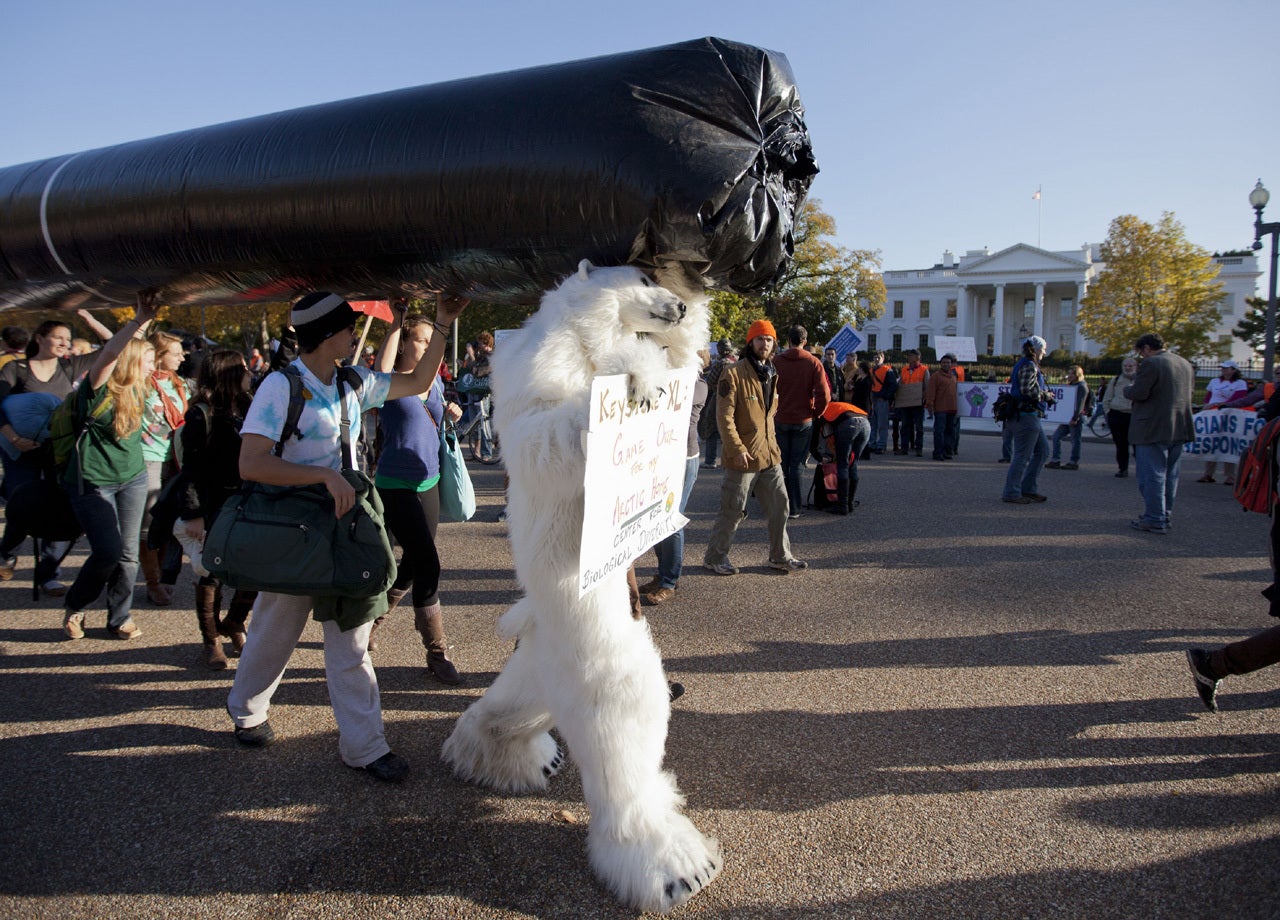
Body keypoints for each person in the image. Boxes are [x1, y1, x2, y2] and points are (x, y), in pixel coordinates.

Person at [226, 290, 467, 784]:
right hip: (295, 528)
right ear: (323, 334)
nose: (353, 334)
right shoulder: (279, 386)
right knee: (275, 628)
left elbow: (420, 379)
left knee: (353, 641)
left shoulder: (354, 380)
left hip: (348, 527)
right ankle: (247, 711)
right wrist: (322, 477)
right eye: (346, 327)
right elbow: (251, 462)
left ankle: (365, 747)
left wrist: (443, 323)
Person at [370, 305, 465, 683]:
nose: (428, 346)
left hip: (430, 481)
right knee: (429, 562)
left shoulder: (436, 381)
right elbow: (378, 370)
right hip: (396, 485)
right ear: (404, 343)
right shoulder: (389, 383)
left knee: (414, 561)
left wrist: (450, 413)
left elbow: (435, 419)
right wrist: (395, 321)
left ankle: (374, 620)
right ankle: (437, 651)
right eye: (421, 339)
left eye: (431, 340)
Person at [61, 295, 159, 640]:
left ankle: (119, 617)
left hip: (132, 477)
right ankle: (76, 606)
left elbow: (127, 345)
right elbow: (112, 352)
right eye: (149, 360)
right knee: (107, 551)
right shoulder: (97, 387)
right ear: (132, 362)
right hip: (92, 480)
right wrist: (136, 321)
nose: (153, 365)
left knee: (129, 555)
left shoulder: (142, 387)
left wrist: (144, 317)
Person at [0, 320, 102, 594]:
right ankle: (6, 552)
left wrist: (86, 315)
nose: (64, 343)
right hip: (20, 450)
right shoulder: (15, 369)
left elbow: (112, 347)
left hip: (58, 451)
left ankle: (49, 573)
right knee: (22, 501)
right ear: (39, 338)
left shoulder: (69, 367)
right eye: (58, 337)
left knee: (58, 505)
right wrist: (14, 439)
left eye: (67, 339)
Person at [172, 349, 258, 669]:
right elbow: (190, 469)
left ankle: (235, 622)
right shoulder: (202, 413)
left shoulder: (249, 405)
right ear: (228, 372)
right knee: (211, 574)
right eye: (244, 366)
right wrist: (193, 513)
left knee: (254, 569)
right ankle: (210, 640)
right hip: (214, 502)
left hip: (249, 498)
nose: (250, 371)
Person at [702, 319, 806, 575]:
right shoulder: (733, 373)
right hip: (744, 456)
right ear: (751, 342)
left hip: (769, 454)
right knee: (733, 508)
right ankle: (715, 557)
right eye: (760, 339)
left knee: (781, 505)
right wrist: (736, 448)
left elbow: (769, 414)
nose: (765, 343)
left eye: (769, 339)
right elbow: (724, 416)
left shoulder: (772, 372)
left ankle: (780, 556)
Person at [640, 361, 708, 605]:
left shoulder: (698, 385)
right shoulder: (669, 380)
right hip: (662, 457)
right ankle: (662, 574)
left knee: (672, 519)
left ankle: (669, 581)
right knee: (658, 519)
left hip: (684, 459)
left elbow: (671, 402)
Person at [138, 332, 190, 606]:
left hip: (176, 459)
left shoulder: (180, 384)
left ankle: (161, 576)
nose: (182, 357)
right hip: (148, 457)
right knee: (149, 524)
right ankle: (152, 582)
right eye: (176, 352)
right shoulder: (140, 385)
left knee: (169, 521)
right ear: (158, 356)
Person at [1124, 332, 1195, 534]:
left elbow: (1139, 392)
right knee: (1171, 475)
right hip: (1178, 425)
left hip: (1152, 427)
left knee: (1152, 475)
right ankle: (1163, 514)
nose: (1142, 357)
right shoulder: (1184, 363)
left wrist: (1127, 389)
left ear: (1147, 348)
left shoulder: (1152, 364)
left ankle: (1154, 518)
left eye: (1141, 352)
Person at [773, 325, 830, 519]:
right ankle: (794, 507)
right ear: (805, 342)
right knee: (797, 465)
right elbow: (824, 394)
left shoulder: (777, 361)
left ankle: (780, 504)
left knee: (781, 463)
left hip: (780, 417)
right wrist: (816, 412)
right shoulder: (813, 362)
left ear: (788, 340)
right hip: (803, 419)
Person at [1001, 336, 1055, 505]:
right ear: (1036, 349)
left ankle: (1028, 488)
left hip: (1028, 415)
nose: (1045, 352)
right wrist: (1046, 396)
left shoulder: (1026, 364)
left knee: (1043, 452)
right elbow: (1026, 390)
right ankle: (1012, 492)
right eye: (1043, 349)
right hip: (1026, 416)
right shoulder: (1029, 365)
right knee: (1022, 456)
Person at [808, 398, 870, 514]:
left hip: (848, 423)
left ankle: (842, 506)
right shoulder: (837, 406)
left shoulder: (820, 412)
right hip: (865, 423)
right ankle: (850, 503)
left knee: (843, 464)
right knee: (853, 463)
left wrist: (818, 457)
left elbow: (814, 439)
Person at [1197, 360, 1248, 485]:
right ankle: (1208, 473)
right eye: (1222, 368)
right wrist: (1207, 406)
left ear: (1234, 370)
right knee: (1212, 442)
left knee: (1228, 444)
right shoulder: (1214, 381)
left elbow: (1239, 398)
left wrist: (1222, 404)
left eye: (1227, 368)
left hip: (1229, 414)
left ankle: (1230, 475)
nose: (1223, 370)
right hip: (1214, 414)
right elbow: (1208, 396)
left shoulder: (1239, 383)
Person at [1046, 365, 1092, 471]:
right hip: (1067, 417)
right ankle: (1055, 460)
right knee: (1056, 437)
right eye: (1069, 373)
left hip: (1075, 417)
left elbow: (1080, 404)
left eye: (1072, 374)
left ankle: (1073, 461)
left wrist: (1075, 417)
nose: (1070, 376)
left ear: (1078, 375)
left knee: (1075, 440)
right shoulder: (1072, 385)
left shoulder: (1081, 386)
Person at [699, 338, 734, 469]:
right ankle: (728, 461)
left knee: (711, 428)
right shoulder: (736, 361)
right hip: (734, 399)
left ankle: (710, 459)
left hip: (718, 397)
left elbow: (711, 380)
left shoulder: (721, 363)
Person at [1102, 357, 1138, 477]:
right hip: (1117, 414)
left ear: (1136, 367)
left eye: (1130, 366)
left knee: (1138, 445)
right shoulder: (1116, 380)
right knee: (1121, 444)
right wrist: (1108, 412)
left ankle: (1142, 469)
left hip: (1134, 415)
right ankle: (1123, 468)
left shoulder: (1141, 380)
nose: (1127, 368)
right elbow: (1107, 397)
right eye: (1125, 366)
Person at [894, 349, 929, 457]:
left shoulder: (924, 370)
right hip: (905, 402)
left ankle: (919, 449)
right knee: (904, 426)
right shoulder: (904, 369)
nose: (909, 357)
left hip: (917, 403)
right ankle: (904, 448)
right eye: (908, 356)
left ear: (918, 357)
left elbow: (927, 386)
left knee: (919, 427)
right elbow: (900, 384)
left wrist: (924, 398)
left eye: (911, 356)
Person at [925, 353, 959, 461]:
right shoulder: (935, 376)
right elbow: (930, 393)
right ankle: (938, 452)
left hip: (951, 408)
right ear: (940, 364)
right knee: (939, 432)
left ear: (951, 364)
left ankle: (947, 452)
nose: (946, 364)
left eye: (948, 363)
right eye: (944, 362)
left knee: (949, 432)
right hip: (940, 409)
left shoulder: (953, 376)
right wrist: (930, 406)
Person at [868, 351, 897, 453]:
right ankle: (872, 443)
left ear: (883, 359)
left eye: (878, 358)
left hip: (882, 400)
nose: (876, 359)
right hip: (873, 400)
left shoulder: (887, 370)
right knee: (873, 423)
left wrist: (885, 397)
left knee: (882, 424)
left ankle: (881, 444)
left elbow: (893, 385)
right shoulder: (871, 370)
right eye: (875, 357)